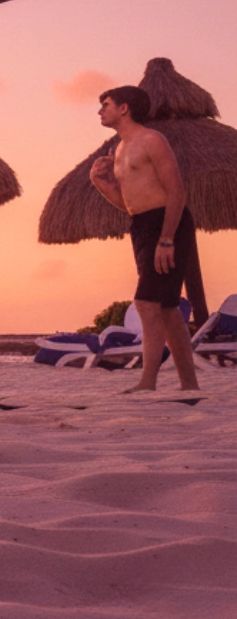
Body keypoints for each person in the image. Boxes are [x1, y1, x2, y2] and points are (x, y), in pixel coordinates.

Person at [89, 85, 200, 392]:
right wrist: (101, 184)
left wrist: (167, 239)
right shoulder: (121, 150)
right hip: (141, 225)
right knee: (166, 307)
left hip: (168, 223)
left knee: (146, 302)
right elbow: (130, 205)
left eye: (106, 104)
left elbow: (176, 191)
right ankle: (189, 384)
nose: (100, 111)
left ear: (124, 108)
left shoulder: (152, 140)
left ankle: (147, 381)